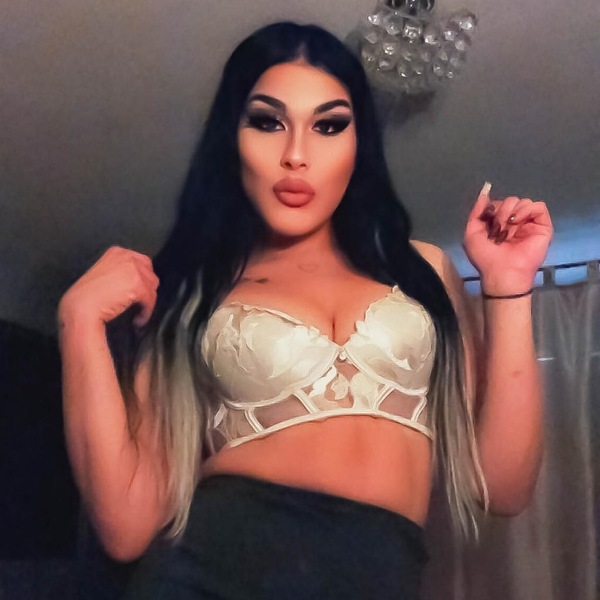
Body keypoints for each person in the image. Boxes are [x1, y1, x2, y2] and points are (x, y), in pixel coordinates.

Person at [58, 21, 553, 599]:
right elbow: (126, 524)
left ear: (358, 143)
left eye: (328, 125)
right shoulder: (198, 292)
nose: (296, 155)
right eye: (268, 122)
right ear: (232, 138)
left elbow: (505, 488)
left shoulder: (423, 271)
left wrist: (508, 286)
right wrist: (78, 322)